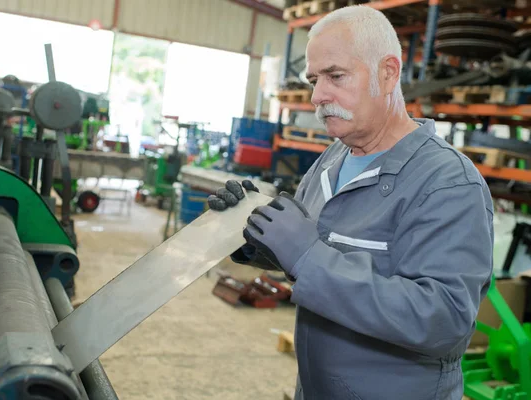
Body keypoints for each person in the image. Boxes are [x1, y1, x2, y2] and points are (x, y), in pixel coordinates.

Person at [208, 5, 494, 400]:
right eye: (313, 80)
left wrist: (308, 257)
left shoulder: (447, 184)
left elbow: (444, 320)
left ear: (388, 73)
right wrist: (254, 241)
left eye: (335, 76)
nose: (317, 96)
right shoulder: (333, 159)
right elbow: (309, 252)